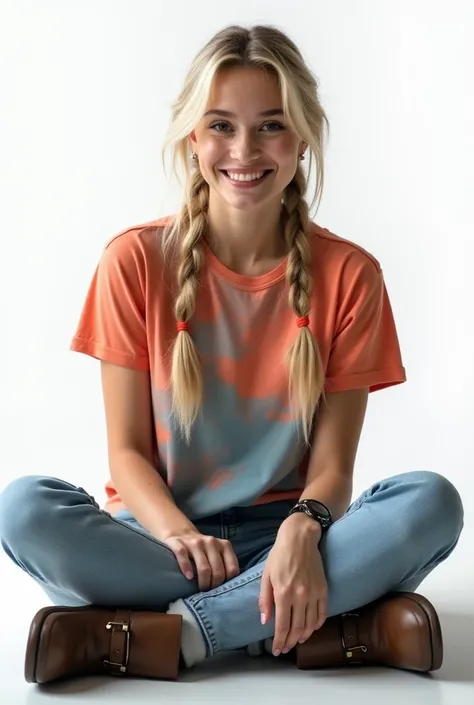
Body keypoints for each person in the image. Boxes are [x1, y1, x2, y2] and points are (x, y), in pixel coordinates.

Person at [0, 24, 464, 686]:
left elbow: (333, 468)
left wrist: (302, 533)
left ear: (302, 139)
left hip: (291, 540)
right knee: (21, 510)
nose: (244, 150)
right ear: (193, 137)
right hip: (164, 540)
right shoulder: (132, 262)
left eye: (271, 126)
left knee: (432, 503)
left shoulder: (351, 275)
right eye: (221, 125)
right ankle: (304, 624)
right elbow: (127, 455)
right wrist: (179, 534)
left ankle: (174, 634)